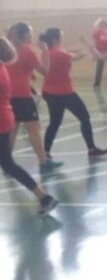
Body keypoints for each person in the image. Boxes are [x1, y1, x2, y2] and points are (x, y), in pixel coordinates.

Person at [0, 37, 59, 215]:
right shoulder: (3, 67)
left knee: (8, 163)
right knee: (8, 164)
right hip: (5, 117)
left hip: (2, 119)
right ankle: (44, 197)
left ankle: (44, 197)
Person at [38, 28, 107, 158]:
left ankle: (46, 152)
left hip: (49, 92)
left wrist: (76, 48)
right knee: (84, 117)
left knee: (54, 122)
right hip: (64, 92)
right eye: (61, 36)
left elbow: (67, 52)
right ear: (55, 39)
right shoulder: (61, 54)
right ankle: (91, 148)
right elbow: (79, 55)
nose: (62, 38)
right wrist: (87, 45)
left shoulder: (46, 52)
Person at [5, 23, 61, 171]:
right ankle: (43, 162)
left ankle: (6, 163)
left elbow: (15, 69)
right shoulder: (27, 51)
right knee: (34, 129)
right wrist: (45, 51)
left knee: (13, 130)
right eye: (30, 33)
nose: (31, 36)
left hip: (9, 95)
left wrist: (28, 74)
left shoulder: (9, 50)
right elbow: (45, 71)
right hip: (23, 95)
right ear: (24, 35)